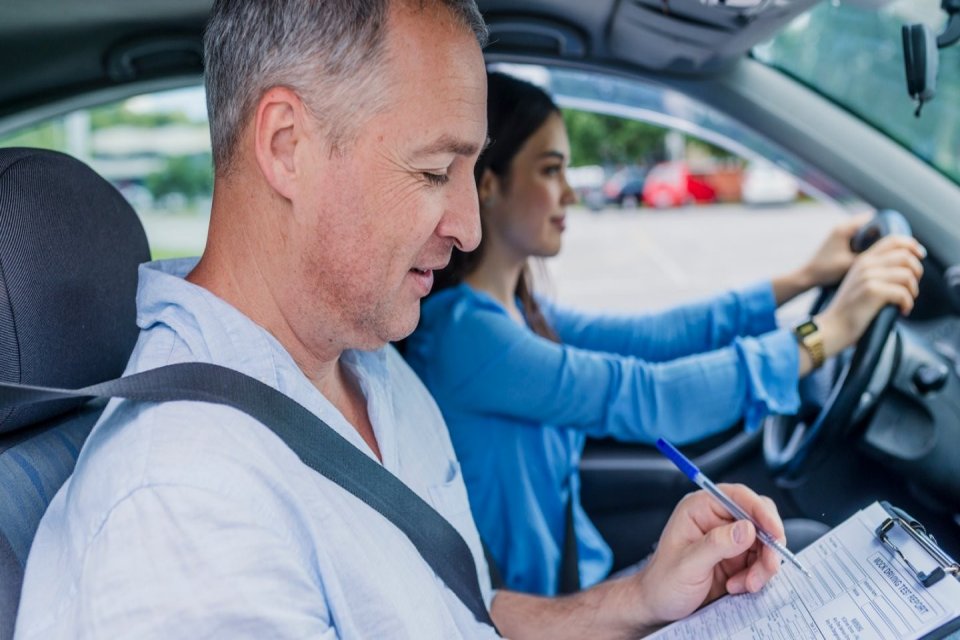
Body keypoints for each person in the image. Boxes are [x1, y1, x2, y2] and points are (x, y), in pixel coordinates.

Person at [16, 2, 804, 638]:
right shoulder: (182, 505)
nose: (468, 224)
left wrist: (642, 599)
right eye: (434, 171)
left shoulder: (370, 368)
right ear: (288, 146)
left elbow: (460, 616)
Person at [403, 72, 925, 596]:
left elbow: (656, 336)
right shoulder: (465, 336)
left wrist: (803, 279)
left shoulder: (517, 313)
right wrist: (826, 334)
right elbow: (650, 396)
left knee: (795, 549)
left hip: (577, 577)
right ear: (488, 184)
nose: (569, 191)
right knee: (805, 551)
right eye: (550, 170)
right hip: (544, 611)